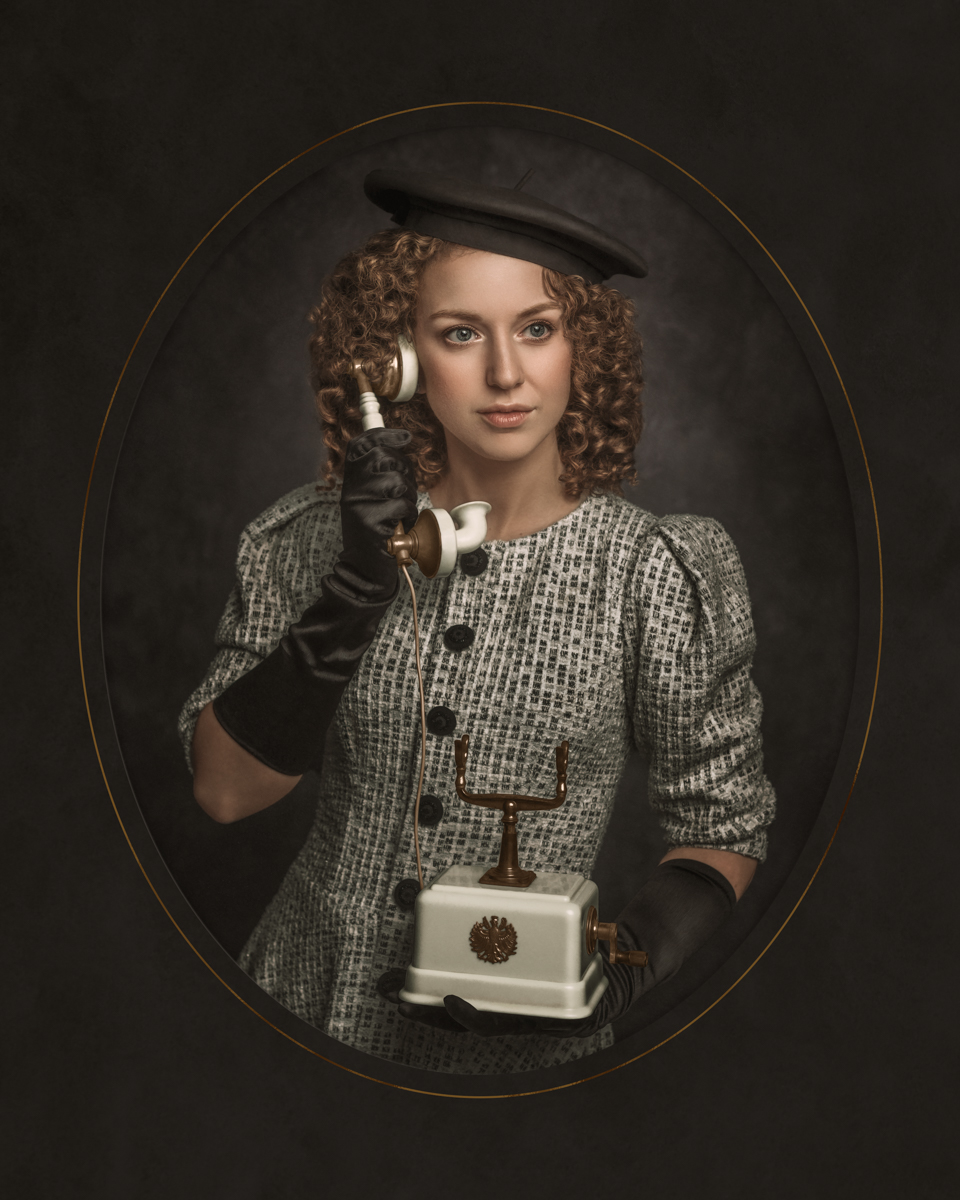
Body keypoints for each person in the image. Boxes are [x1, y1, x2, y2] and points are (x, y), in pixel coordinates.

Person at [178, 169, 776, 1075]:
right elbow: (224, 794)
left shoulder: (654, 570)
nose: (506, 374)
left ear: (584, 348)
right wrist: (357, 585)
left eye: (537, 330)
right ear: (400, 357)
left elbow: (722, 822)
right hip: (298, 1005)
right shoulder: (307, 538)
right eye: (461, 334)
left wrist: (622, 969)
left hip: (520, 1048)